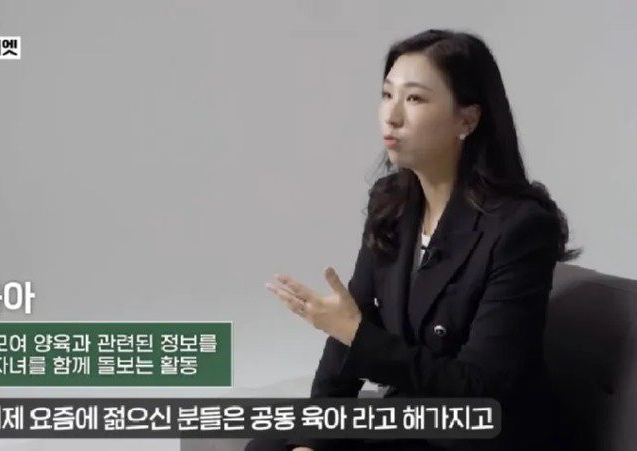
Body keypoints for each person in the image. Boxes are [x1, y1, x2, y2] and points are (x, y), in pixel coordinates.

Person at [246, 29, 580, 451]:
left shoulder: (520, 227)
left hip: (481, 438)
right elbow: (350, 328)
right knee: (271, 445)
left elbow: (478, 391)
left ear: (467, 120)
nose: (392, 115)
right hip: (416, 419)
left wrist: (357, 335)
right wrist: (312, 441)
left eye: (415, 99)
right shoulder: (393, 204)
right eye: (387, 95)